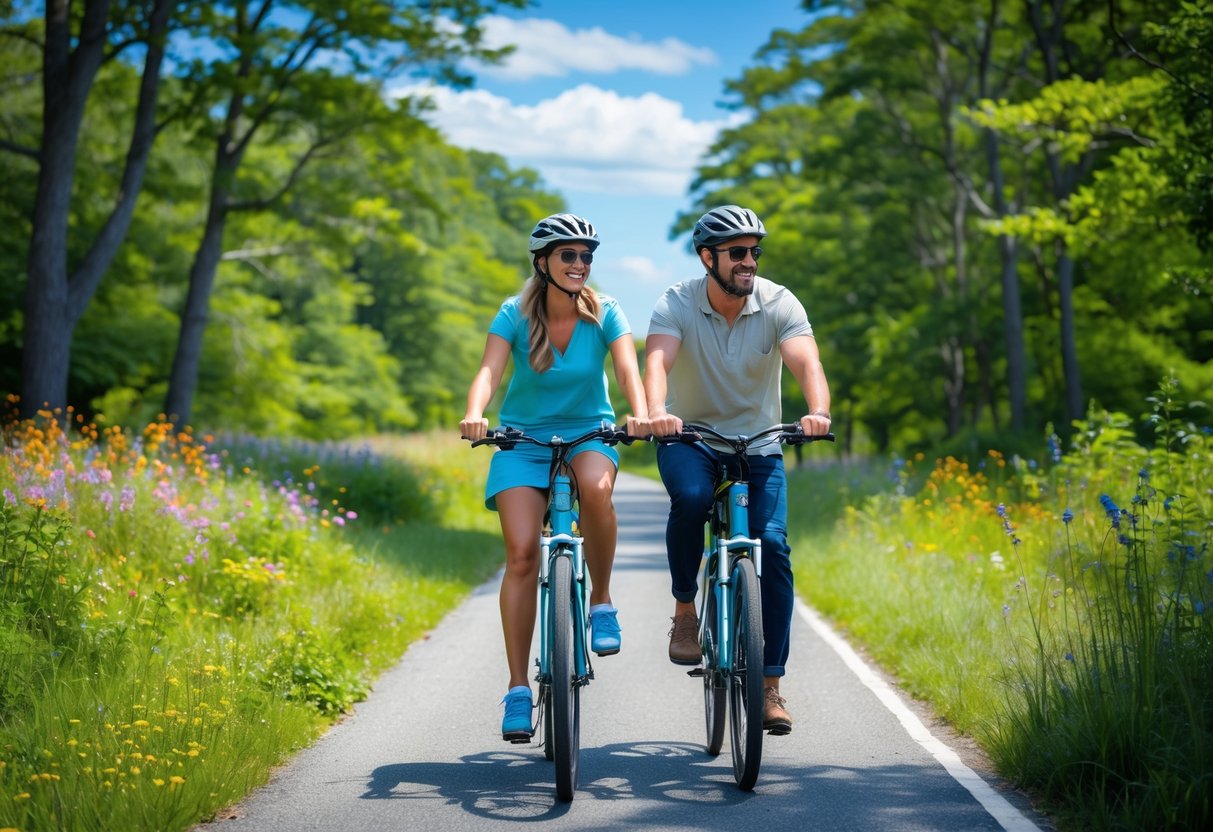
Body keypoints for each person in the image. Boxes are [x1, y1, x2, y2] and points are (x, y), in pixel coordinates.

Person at [460, 213, 649, 743]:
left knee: (597, 490)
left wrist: (641, 413)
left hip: (590, 433)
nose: (580, 265)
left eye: (586, 256)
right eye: (569, 255)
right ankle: (519, 689)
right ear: (542, 263)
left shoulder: (605, 310)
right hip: (522, 440)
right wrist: (476, 412)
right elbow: (489, 371)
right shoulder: (513, 314)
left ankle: (601, 602)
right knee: (521, 553)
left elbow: (628, 370)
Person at [644, 204, 831, 736]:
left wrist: (817, 411)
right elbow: (656, 361)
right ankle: (685, 609)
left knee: (773, 546)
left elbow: (806, 363)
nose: (749, 261)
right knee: (693, 500)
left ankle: (770, 686)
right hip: (692, 438)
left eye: (754, 251)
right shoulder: (676, 302)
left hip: (761, 444)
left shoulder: (778, 302)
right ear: (708, 257)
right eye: (737, 252)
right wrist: (658, 412)